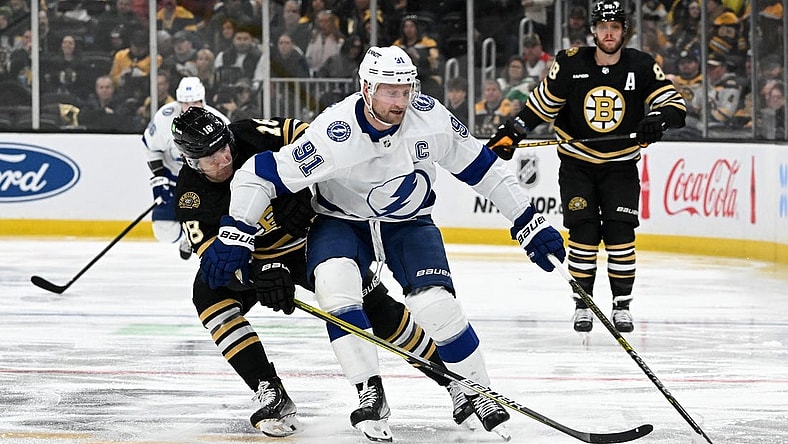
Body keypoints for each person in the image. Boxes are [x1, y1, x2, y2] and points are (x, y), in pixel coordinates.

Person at [198, 45, 566, 441]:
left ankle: (477, 390)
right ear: (366, 88)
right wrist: (237, 232)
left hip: (407, 223)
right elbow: (260, 173)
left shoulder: (431, 120)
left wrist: (528, 219)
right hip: (342, 223)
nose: (401, 101)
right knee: (335, 286)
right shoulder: (335, 132)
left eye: (406, 90)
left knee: (435, 306)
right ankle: (369, 391)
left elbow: (484, 169)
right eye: (390, 91)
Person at [169, 107, 476, 436]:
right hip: (260, 261)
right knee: (208, 296)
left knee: (378, 310)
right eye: (209, 156)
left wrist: (307, 187)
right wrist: (258, 277)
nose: (223, 158)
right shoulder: (190, 198)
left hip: (314, 238)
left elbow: (311, 138)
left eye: (223, 146)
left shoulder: (253, 134)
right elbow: (217, 265)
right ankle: (270, 389)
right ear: (190, 161)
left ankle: (453, 381)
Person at [488, 0, 686, 333]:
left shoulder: (641, 65)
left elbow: (675, 106)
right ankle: (583, 303)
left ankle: (621, 305)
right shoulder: (569, 63)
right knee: (583, 233)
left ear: (624, 31)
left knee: (621, 232)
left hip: (621, 165)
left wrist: (658, 119)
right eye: (603, 27)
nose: (609, 33)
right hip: (577, 165)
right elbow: (541, 105)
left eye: (615, 27)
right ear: (593, 30)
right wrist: (515, 129)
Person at [142, 77, 230, 260]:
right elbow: (151, 149)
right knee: (164, 231)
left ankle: (190, 237)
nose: (191, 107)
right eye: (185, 103)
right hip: (172, 176)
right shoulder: (165, 118)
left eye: (196, 102)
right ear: (178, 102)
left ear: (203, 100)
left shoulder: (219, 122)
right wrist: (159, 178)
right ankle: (184, 236)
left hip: (203, 180)